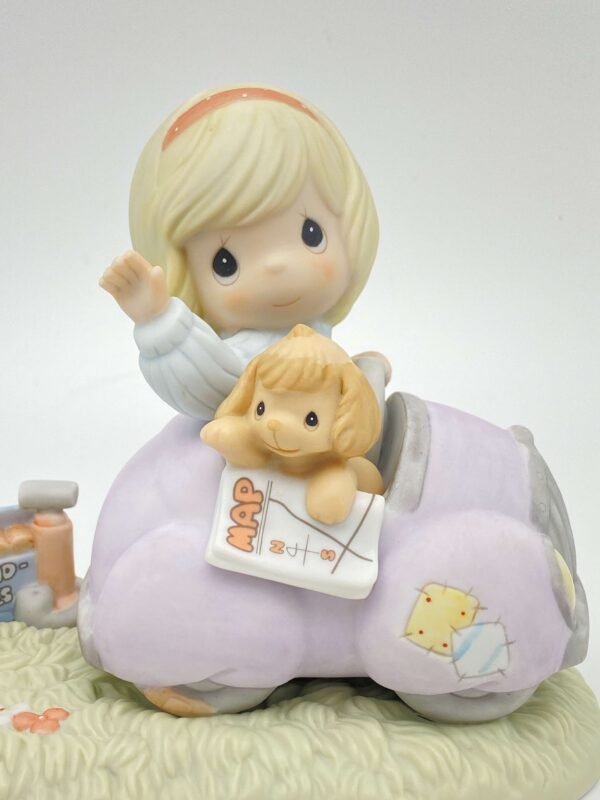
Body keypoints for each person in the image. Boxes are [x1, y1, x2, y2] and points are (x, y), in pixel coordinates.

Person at [100, 85, 382, 420]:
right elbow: (212, 387)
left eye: (312, 235)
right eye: (226, 264)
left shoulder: (314, 331)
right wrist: (160, 322)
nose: (277, 265)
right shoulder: (247, 355)